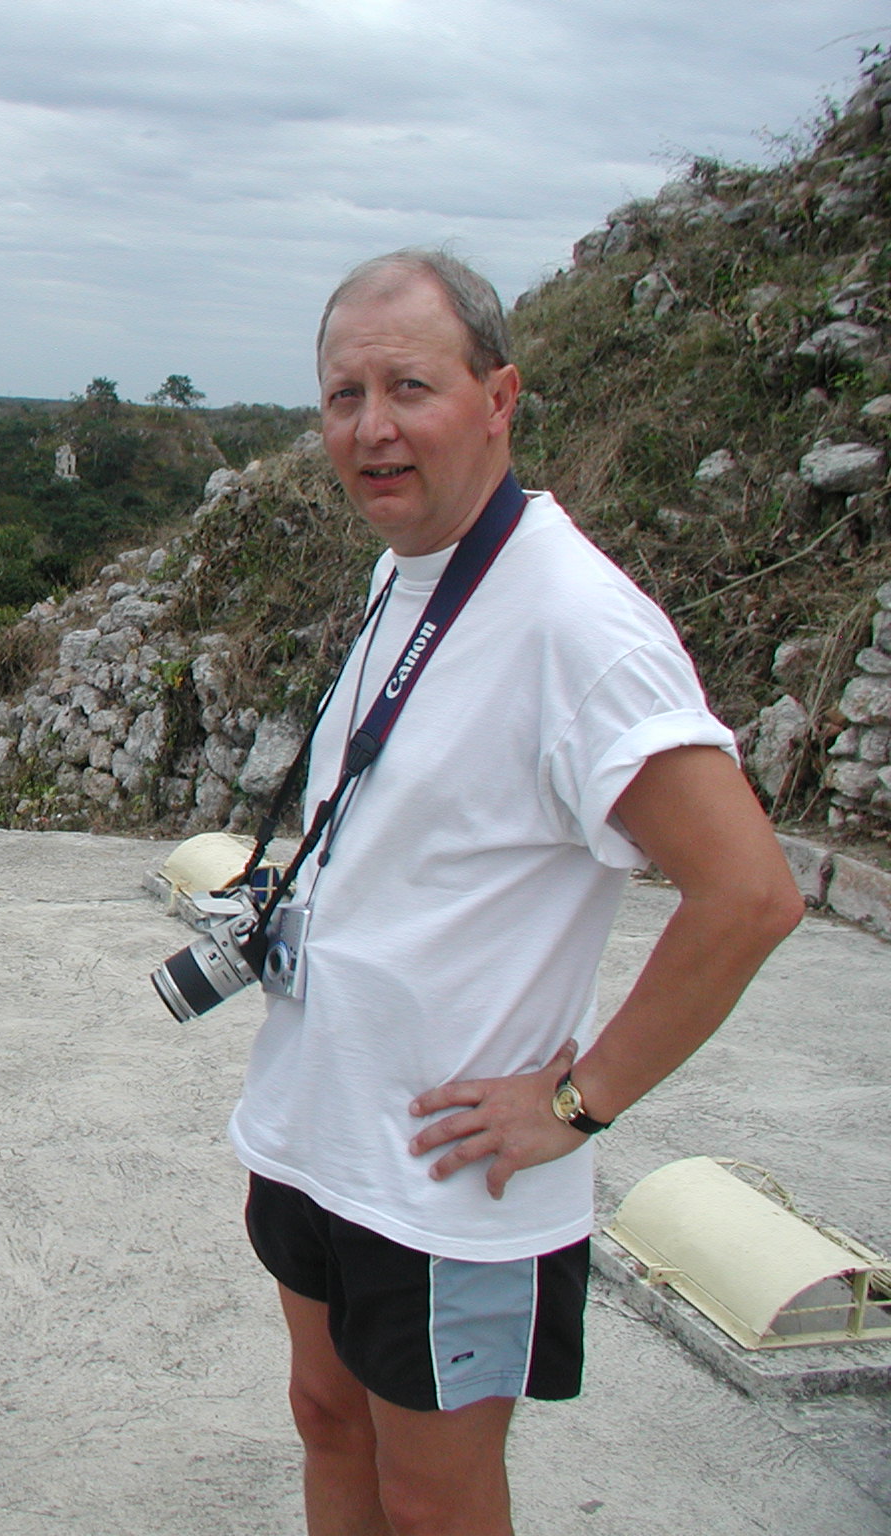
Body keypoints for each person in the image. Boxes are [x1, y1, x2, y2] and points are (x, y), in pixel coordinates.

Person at [225, 251, 802, 1535]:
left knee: (432, 1501)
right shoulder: (406, 571)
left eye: (408, 387)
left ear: (497, 398)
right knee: (324, 1420)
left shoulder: (575, 623)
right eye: (342, 396)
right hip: (319, 1129)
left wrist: (576, 1102)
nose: (370, 427)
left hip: (449, 1183)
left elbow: (748, 894)